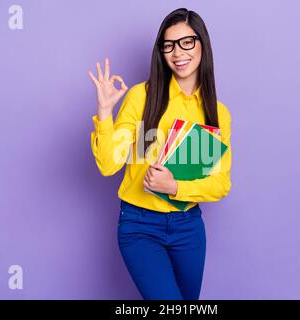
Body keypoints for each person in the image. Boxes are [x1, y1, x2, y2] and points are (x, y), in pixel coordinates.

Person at [88, 8, 232, 300]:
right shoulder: (142, 96)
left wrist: (175, 187)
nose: (178, 52)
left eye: (187, 42)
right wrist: (104, 113)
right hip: (140, 226)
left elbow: (220, 184)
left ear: (202, 43)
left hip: (189, 228)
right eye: (168, 45)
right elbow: (108, 164)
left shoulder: (217, 112)